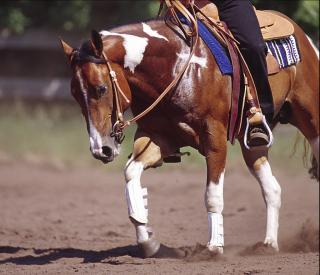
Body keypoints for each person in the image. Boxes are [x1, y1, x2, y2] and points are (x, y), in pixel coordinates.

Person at [176, 0, 274, 147]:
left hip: (229, 2)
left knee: (253, 46)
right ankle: (163, 125)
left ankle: (260, 114)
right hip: (183, 4)